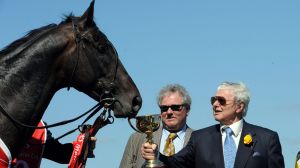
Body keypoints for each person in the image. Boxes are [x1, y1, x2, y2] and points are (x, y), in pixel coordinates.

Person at [142, 81, 284, 168]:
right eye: (213, 100)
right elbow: (175, 164)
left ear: (239, 107)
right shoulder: (200, 138)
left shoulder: (266, 139)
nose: (215, 104)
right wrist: (157, 155)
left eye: (221, 101)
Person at [120, 84, 193, 168]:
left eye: (175, 107)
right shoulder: (136, 139)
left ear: (187, 109)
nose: (169, 112)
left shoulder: (200, 140)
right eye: (164, 108)